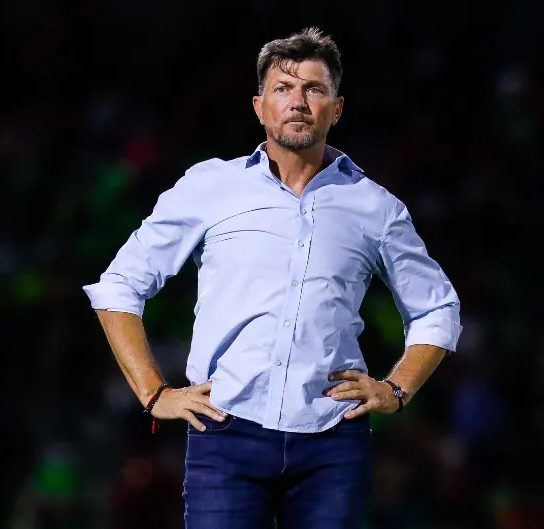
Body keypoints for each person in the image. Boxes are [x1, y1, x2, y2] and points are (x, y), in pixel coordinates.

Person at [83, 27, 463, 529]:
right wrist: (155, 393)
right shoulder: (211, 187)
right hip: (225, 433)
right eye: (284, 89)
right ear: (260, 107)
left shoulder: (376, 207)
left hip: (333, 441)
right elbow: (119, 286)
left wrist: (396, 389)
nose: (298, 101)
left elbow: (437, 308)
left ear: (337, 108)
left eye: (314, 88)